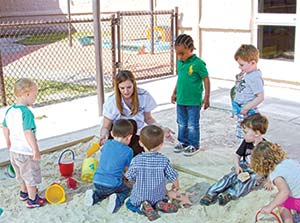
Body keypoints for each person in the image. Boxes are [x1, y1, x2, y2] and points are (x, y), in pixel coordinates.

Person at [99, 70, 174, 157]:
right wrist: (104, 136)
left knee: (139, 152)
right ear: (117, 87)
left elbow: (148, 118)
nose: (126, 91)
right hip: (118, 135)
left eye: (129, 87)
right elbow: (106, 126)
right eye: (122, 88)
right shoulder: (112, 101)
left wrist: (161, 129)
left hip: (133, 134)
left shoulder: (143, 96)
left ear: (134, 84)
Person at [200, 113, 269, 206]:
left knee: (247, 182)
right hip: (244, 166)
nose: (243, 135)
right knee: (229, 177)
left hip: (257, 171)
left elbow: (271, 165)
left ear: (257, 133)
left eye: (246, 132)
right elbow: (237, 155)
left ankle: (229, 194)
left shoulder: (265, 147)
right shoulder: (246, 142)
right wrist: (237, 166)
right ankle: (211, 193)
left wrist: (268, 180)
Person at [2, 78, 46, 208]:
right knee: (30, 175)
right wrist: (35, 150)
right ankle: (33, 200)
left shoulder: (10, 111)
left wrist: (8, 141)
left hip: (14, 151)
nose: (35, 97)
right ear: (27, 94)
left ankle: (24, 192)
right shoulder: (26, 113)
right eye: (34, 95)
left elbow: (5, 127)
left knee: (20, 174)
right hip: (26, 152)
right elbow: (28, 132)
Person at [125, 125, 179, 221]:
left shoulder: (136, 160)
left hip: (140, 196)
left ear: (140, 143)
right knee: (161, 197)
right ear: (161, 144)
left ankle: (144, 206)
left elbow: (129, 176)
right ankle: (159, 204)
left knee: (130, 203)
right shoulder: (164, 160)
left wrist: (132, 182)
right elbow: (173, 176)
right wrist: (176, 186)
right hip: (159, 195)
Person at [171, 34, 210, 156]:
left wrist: (207, 97)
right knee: (181, 123)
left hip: (193, 101)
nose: (179, 56)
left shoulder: (198, 64)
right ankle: (183, 142)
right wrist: (174, 92)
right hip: (181, 100)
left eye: (182, 53)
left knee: (192, 124)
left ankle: (194, 144)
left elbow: (206, 79)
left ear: (191, 49)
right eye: (177, 53)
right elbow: (180, 79)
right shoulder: (180, 63)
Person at [84, 119, 134, 213]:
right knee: (126, 190)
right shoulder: (129, 151)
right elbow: (127, 171)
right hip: (113, 184)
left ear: (111, 133)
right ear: (129, 137)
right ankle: (117, 199)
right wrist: (129, 181)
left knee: (103, 192)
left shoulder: (106, 144)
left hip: (97, 181)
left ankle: (94, 196)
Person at [251, 141, 300, 223]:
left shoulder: (275, 173)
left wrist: (270, 206)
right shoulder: (290, 161)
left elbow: (284, 192)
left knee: (281, 202)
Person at [232, 44, 264, 139]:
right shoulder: (248, 74)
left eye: (242, 65)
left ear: (253, 63)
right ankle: (244, 150)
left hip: (247, 111)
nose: (239, 67)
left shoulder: (255, 77)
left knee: (248, 134)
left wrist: (246, 108)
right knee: (242, 132)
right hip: (242, 109)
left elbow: (260, 97)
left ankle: (248, 151)